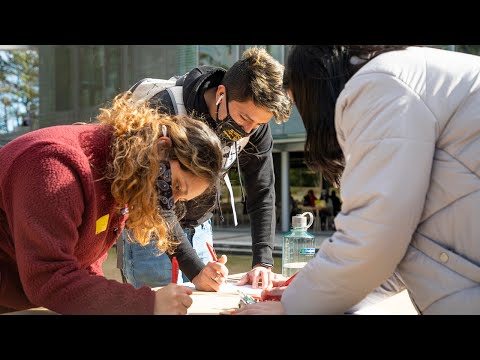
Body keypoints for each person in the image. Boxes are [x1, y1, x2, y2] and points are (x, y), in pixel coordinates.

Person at [233, 45, 480, 314]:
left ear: (315, 87)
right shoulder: (403, 77)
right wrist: (305, 292)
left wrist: (292, 307)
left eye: (301, 103)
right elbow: (395, 253)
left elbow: (373, 236)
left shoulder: (380, 83)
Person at [0, 92, 225, 314]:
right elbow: (47, 277)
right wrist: (147, 303)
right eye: (175, 187)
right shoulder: (57, 168)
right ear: (161, 149)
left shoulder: (121, 176)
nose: (168, 204)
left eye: (179, 200)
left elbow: (85, 264)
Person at [120, 47, 292, 289]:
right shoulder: (165, 108)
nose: (249, 130)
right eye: (244, 118)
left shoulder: (255, 126)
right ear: (221, 93)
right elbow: (154, 196)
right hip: (150, 231)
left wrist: (262, 263)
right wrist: (194, 268)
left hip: (200, 229)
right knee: (155, 305)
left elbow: (262, 192)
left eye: (259, 123)